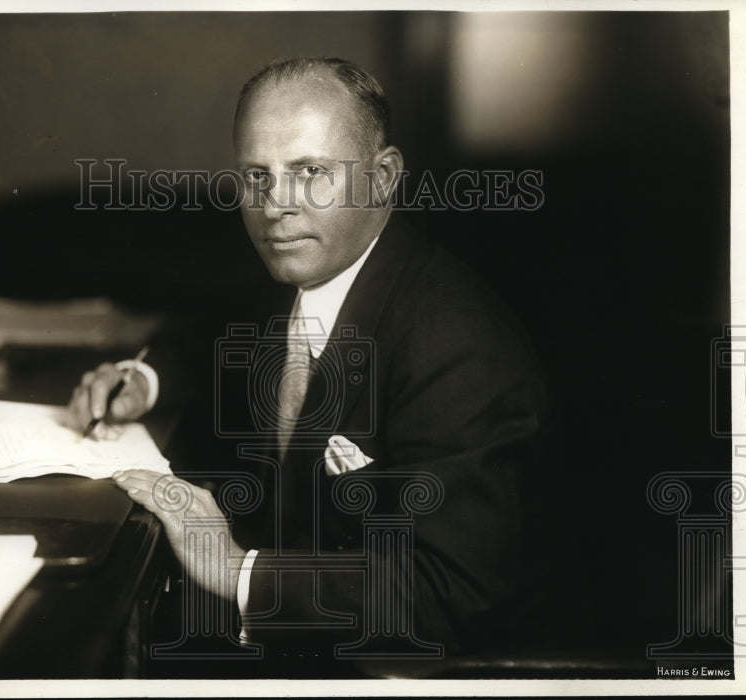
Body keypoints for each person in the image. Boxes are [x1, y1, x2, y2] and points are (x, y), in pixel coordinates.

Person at [68, 57, 548, 668]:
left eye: (311, 171)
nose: (275, 206)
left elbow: (449, 593)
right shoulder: (302, 267)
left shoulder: (458, 345)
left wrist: (238, 570)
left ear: (383, 177)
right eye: (256, 176)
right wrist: (142, 379)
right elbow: (207, 335)